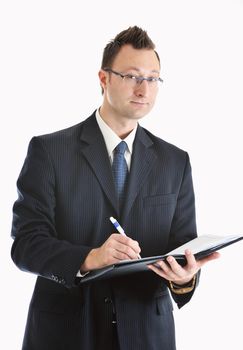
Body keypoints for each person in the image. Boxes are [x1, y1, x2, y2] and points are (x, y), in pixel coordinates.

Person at [11, 26, 219, 350]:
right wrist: (90, 257)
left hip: (147, 335)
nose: (144, 89)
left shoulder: (175, 162)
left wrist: (184, 279)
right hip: (67, 334)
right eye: (132, 76)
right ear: (104, 78)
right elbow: (25, 245)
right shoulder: (49, 151)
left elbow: (181, 246)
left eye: (153, 79)